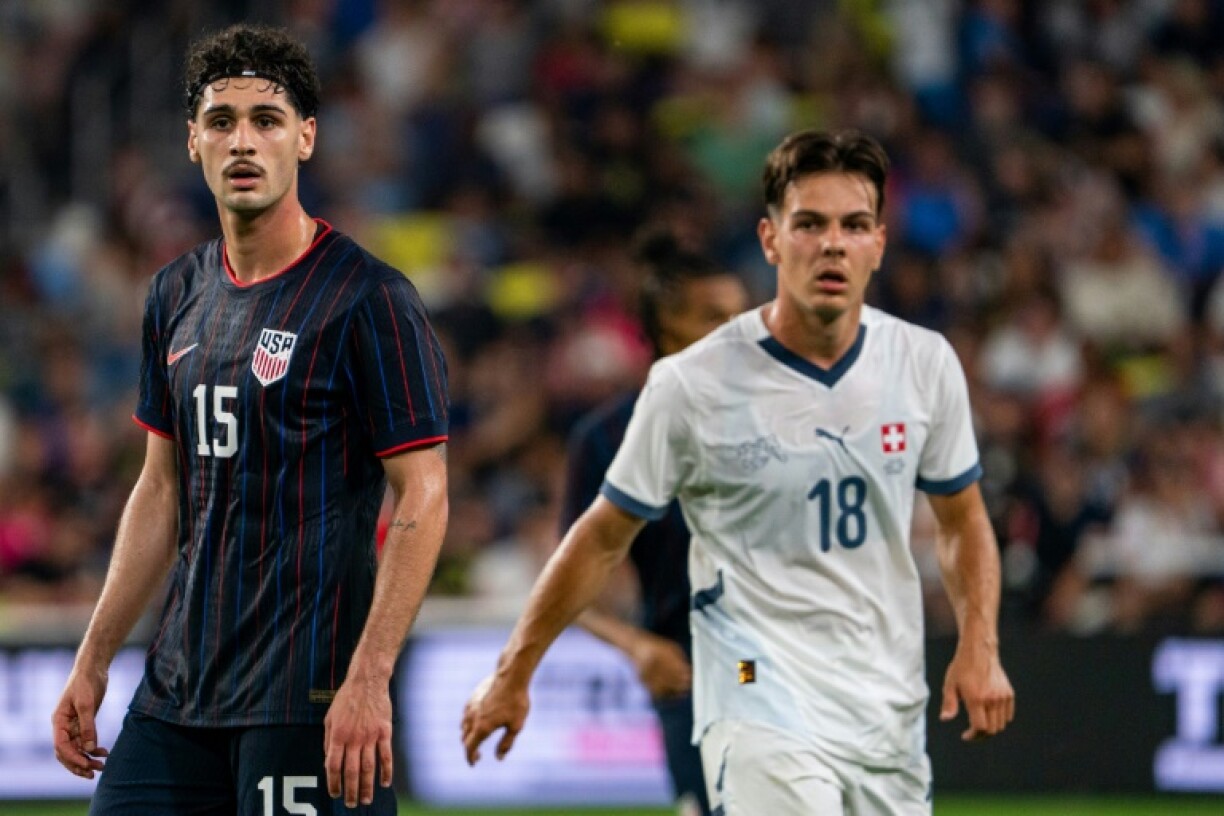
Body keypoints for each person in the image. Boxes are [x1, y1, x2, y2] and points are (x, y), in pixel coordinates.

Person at [462, 129, 1014, 814]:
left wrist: (979, 644)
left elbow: (963, 520)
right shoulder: (691, 384)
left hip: (885, 705)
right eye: (809, 224)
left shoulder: (924, 363)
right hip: (755, 691)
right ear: (771, 240)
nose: (832, 243)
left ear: (879, 242)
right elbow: (601, 537)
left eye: (855, 225)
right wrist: (513, 673)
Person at [51, 24, 449, 815]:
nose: (243, 140)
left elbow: (425, 495)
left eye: (267, 120)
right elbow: (159, 491)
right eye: (221, 120)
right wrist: (94, 659)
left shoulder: (369, 299)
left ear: (305, 138)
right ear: (192, 140)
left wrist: (369, 678)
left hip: (306, 695)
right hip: (175, 697)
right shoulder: (174, 294)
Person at [560, 229, 748, 816]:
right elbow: (569, 584)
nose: (736, 334)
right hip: (685, 667)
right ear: (666, 330)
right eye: (714, 318)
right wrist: (637, 646)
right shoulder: (607, 438)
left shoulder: (779, 414)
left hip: (768, 659)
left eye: (740, 316)